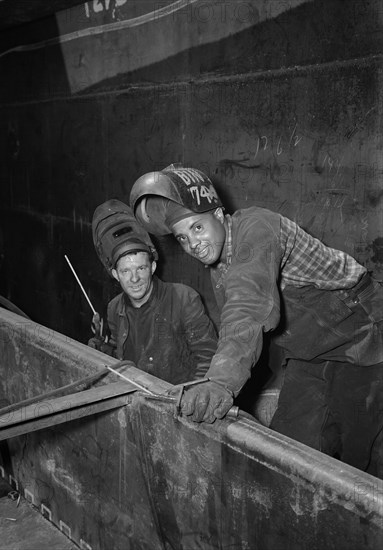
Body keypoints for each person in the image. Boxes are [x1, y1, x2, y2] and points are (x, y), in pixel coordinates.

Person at [129, 164, 383, 475]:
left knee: (362, 458)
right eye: (182, 238)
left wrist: (221, 382)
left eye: (197, 228)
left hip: (364, 341)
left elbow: (248, 305)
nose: (192, 243)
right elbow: (242, 328)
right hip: (311, 354)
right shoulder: (219, 269)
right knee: (288, 451)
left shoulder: (258, 227)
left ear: (220, 216)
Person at [89, 199, 218, 385]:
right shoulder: (114, 308)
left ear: (153, 267)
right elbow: (121, 356)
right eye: (126, 271)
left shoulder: (183, 299)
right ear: (116, 274)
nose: (134, 279)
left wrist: (189, 396)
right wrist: (102, 349)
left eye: (141, 268)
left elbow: (208, 357)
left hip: (176, 400)